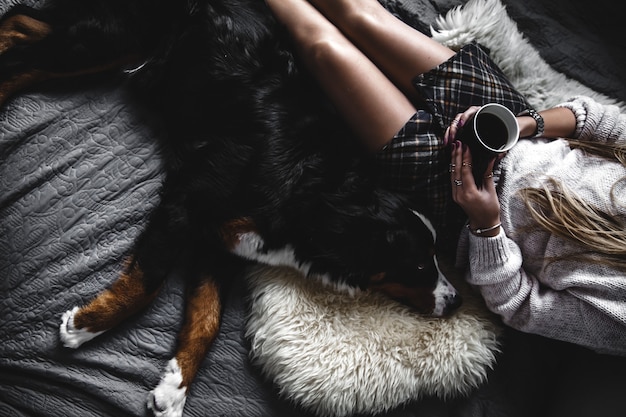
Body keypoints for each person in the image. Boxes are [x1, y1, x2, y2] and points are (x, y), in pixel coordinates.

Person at [265, 0, 626, 356]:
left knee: (324, 47)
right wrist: (525, 124)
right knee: (363, 14)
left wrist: (485, 224)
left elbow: (520, 306)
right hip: (500, 121)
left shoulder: (617, 322)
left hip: (453, 194)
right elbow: (600, 121)